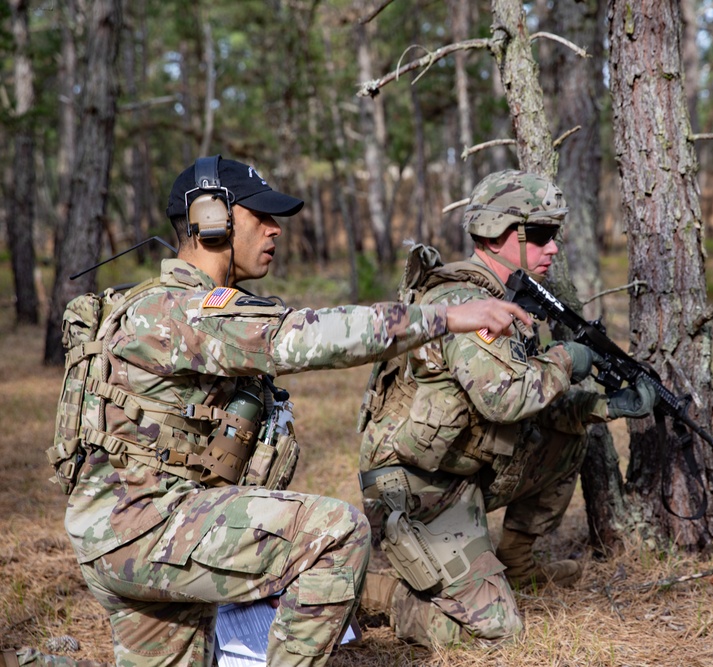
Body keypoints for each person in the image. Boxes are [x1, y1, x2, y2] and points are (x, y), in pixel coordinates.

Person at [3, 156, 530, 667]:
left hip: (126, 533)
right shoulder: (181, 310)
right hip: (145, 528)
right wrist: (446, 316)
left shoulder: (171, 306)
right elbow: (307, 337)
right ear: (211, 218)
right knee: (336, 532)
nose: (276, 230)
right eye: (261, 216)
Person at [355, 169, 656, 647]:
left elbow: (533, 408)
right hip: (418, 487)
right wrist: (567, 358)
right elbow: (506, 398)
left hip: (463, 467)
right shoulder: (463, 303)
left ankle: (517, 562)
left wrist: (607, 405)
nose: (553, 247)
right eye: (539, 235)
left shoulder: (506, 299)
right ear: (499, 236)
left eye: (555, 234)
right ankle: (367, 592)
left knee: (569, 435)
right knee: (491, 631)